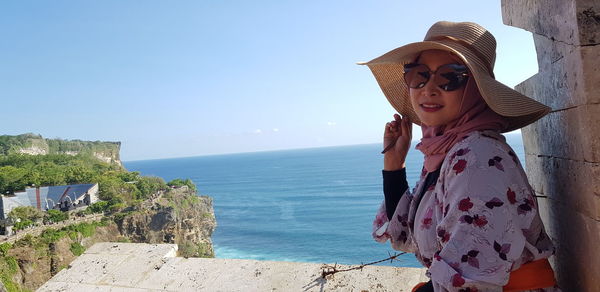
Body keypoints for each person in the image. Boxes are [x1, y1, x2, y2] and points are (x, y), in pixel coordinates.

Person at [361, 21, 560, 291]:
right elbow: (407, 234)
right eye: (419, 74)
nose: (428, 89)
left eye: (450, 77)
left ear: (477, 89)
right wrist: (394, 164)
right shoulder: (449, 150)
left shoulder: (478, 156)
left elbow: (470, 280)